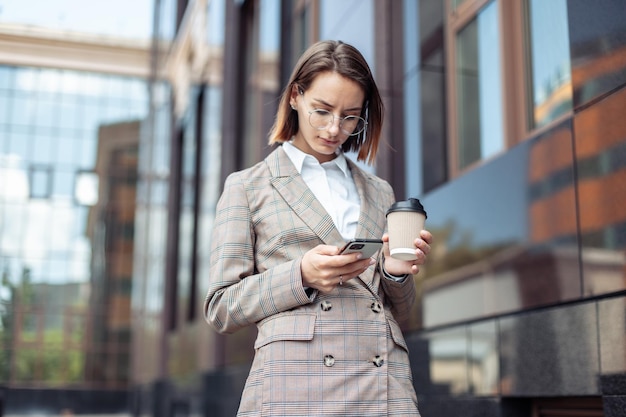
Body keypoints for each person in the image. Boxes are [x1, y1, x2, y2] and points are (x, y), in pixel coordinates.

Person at [204, 40, 432, 416]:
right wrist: (301, 275)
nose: (334, 129)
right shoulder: (247, 186)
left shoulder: (379, 190)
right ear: (296, 96)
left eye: (350, 116)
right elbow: (220, 307)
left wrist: (394, 271)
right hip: (296, 384)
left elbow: (400, 309)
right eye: (322, 111)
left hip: (381, 385)